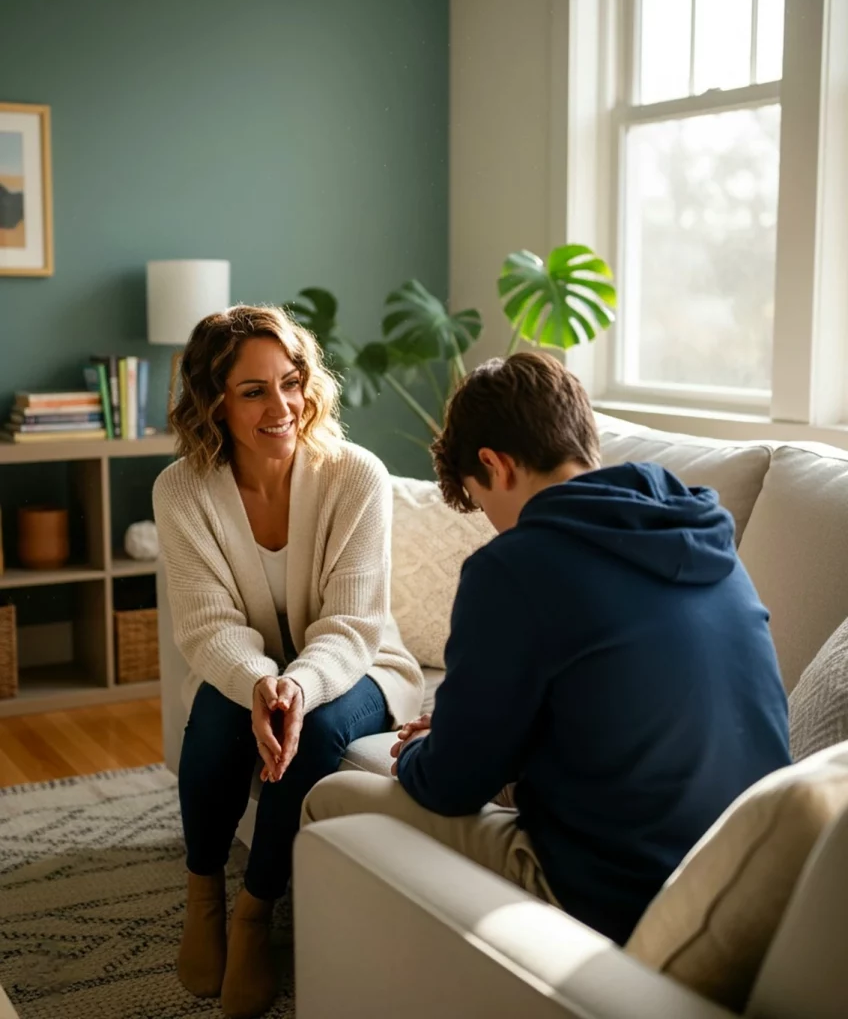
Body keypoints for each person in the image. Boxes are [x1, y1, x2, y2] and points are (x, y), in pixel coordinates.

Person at [302, 351, 791, 946]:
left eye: (482, 503)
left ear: (495, 465)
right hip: (752, 884)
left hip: (616, 898)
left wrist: (426, 751)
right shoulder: (699, 530)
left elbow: (448, 787)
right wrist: (468, 733)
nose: (494, 526)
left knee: (329, 800)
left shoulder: (514, 567)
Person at [153, 305, 422, 1018]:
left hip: (359, 666)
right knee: (217, 711)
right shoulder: (181, 490)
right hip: (251, 667)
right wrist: (259, 681)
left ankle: (253, 913)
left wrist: (295, 685)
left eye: (292, 382)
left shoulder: (355, 476)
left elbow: (353, 624)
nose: (282, 407)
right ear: (213, 402)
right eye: (253, 391)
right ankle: (203, 895)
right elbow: (207, 626)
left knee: (320, 725)